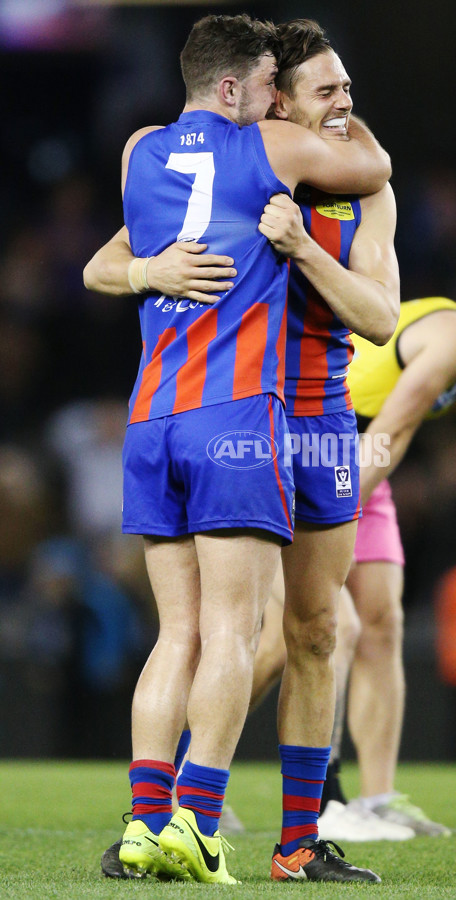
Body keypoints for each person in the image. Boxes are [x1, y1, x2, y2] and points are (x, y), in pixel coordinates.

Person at [83, 13, 392, 885]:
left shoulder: (352, 195)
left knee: (315, 631)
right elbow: (110, 262)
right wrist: (150, 269)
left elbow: (378, 319)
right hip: (242, 415)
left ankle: (297, 843)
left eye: (349, 90)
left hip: (313, 414)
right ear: (270, 101)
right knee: (230, 628)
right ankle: (186, 817)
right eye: (325, 90)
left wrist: (304, 252)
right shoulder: (259, 157)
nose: (344, 104)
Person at [248, 297, 456, 839]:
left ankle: (375, 801)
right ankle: (321, 802)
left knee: (382, 623)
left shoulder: (451, 337)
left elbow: (389, 430)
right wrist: (339, 512)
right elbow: (391, 431)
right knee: (323, 631)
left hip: (359, 460)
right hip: (320, 451)